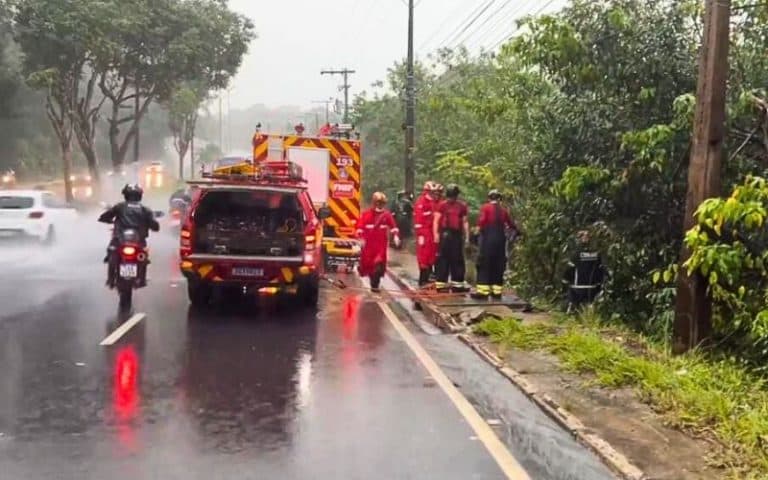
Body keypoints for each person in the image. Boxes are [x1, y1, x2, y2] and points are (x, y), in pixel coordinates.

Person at [99, 184, 160, 287]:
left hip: (120, 240)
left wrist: (107, 219)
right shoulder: (145, 209)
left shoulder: (120, 206)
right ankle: (141, 278)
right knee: (142, 255)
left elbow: (105, 216)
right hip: (137, 241)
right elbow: (155, 226)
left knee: (112, 252)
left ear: (125, 195)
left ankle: (111, 279)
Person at [472, 189, 518, 300]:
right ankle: (496, 292)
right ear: (499, 199)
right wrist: (517, 232)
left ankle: (483, 292)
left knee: (484, 263)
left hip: (487, 240)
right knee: (498, 264)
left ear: (489, 198)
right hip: (500, 241)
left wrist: (474, 235)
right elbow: (511, 224)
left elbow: (481, 222)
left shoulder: (485, 208)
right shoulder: (503, 210)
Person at [356, 192, 401, 293]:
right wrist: (360, 239)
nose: (380, 205)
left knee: (379, 264)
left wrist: (396, 236)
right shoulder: (367, 214)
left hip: (381, 245)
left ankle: (375, 284)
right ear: (374, 202)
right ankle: (373, 282)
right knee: (370, 265)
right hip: (369, 245)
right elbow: (360, 227)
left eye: (382, 203)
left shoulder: (386, 215)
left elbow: (393, 226)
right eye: (378, 202)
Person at [433, 184, 470, 293]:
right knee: (444, 259)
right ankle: (441, 284)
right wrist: (436, 234)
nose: (451, 198)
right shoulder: (442, 205)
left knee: (456, 259)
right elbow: (436, 220)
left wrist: (467, 237)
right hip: (446, 234)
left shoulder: (461, 206)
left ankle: (457, 284)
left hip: (456, 235)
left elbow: (465, 222)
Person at [562, 230, 605, 313]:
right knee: (590, 303)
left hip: (578, 287)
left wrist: (565, 281)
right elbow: (600, 269)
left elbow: (569, 269)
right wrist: (599, 283)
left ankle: (571, 310)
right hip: (593, 287)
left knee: (572, 300)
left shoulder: (576, 254)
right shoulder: (596, 254)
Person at [413, 181, 439, 286]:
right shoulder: (421, 202)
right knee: (423, 255)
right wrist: (420, 235)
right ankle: (422, 279)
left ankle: (427, 277)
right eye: (432, 192)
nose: (434, 194)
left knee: (431, 255)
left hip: (431, 232)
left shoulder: (433, 202)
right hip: (424, 233)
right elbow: (418, 220)